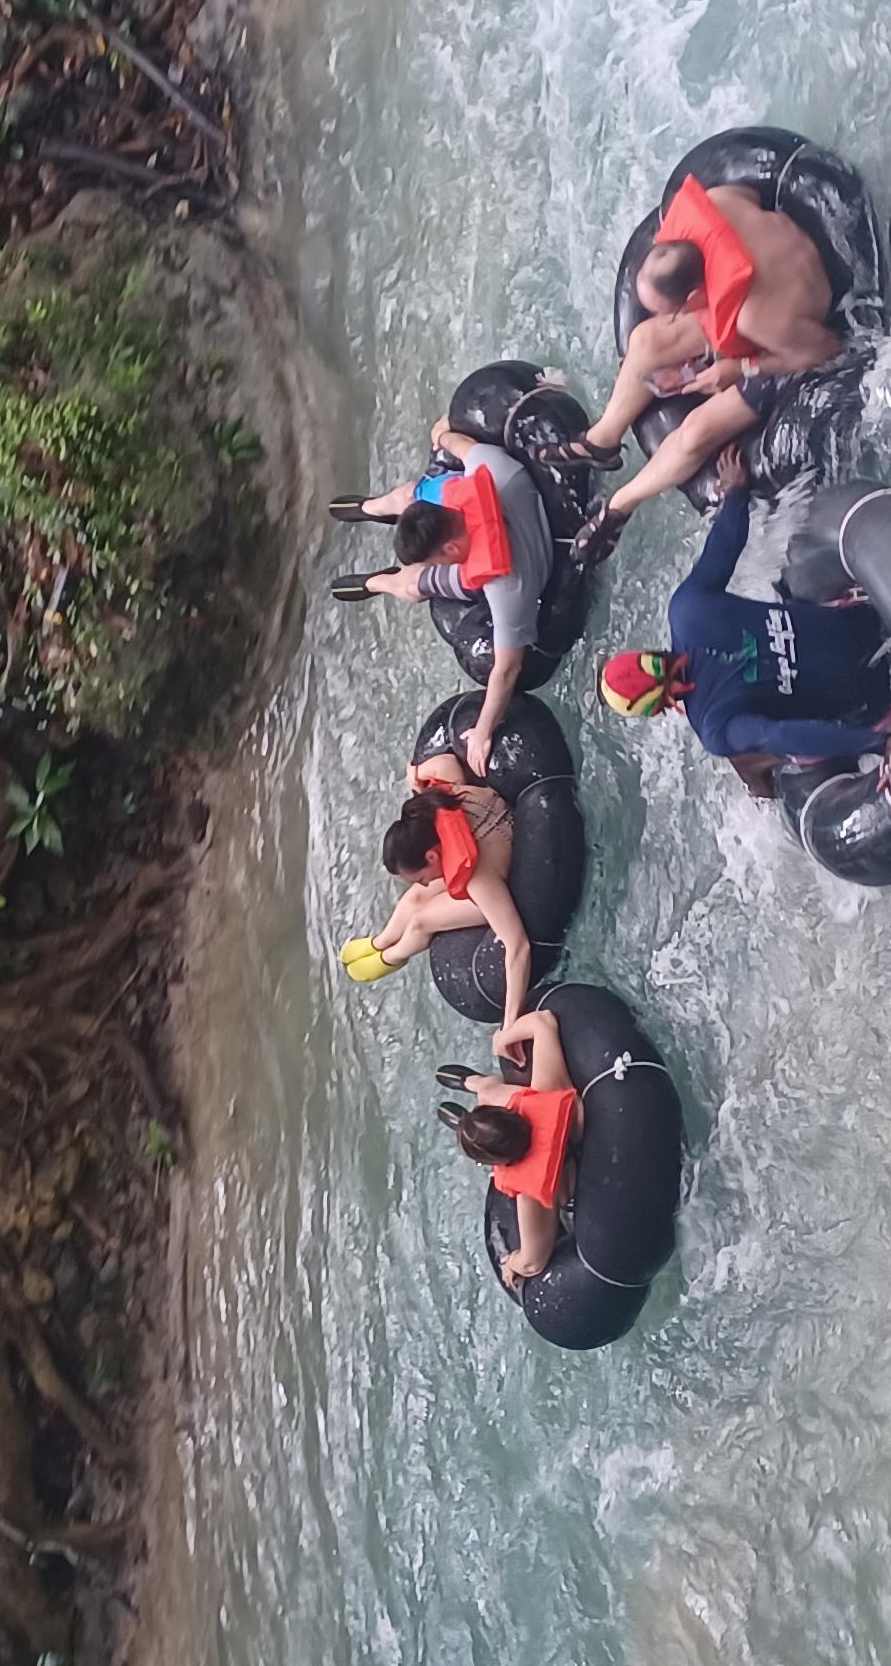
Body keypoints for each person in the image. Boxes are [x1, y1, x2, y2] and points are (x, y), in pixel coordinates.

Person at [543, 175, 846, 558]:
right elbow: (752, 193)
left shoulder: (757, 317)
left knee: (695, 432)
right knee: (645, 342)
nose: (668, 319)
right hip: (752, 295)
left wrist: (741, 367)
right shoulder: (717, 201)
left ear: (695, 295)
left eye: (670, 312)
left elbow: (826, 349)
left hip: (790, 331)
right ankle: (601, 440)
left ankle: (621, 505)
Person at [599, 488, 891, 812]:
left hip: (880, 699)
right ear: (649, 654)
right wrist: (736, 492)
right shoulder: (686, 610)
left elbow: (781, 734)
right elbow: (725, 543)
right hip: (872, 617)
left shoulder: (714, 726)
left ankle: (765, 792)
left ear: (657, 710)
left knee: (756, 753)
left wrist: (883, 744)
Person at [327, 416, 554, 775]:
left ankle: (379, 582)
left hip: (515, 555)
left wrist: (482, 731)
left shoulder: (505, 588)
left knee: (416, 583)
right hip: (504, 510)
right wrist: (443, 434)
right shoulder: (493, 468)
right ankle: (371, 507)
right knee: (412, 495)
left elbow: (507, 669)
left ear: (448, 549)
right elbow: (460, 445)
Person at [334, 754, 534, 1009]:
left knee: (421, 922)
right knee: (415, 898)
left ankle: (390, 957)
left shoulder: (478, 880)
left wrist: (510, 1023)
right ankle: (380, 941)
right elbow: (447, 761)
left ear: (431, 855)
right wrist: (416, 774)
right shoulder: (445, 798)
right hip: (491, 829)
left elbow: (518, 947)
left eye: (422, 877)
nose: (426, 883)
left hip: (499, 880)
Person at [442, 1006, 577, 1287]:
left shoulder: (530, 1195)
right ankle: (473, 1090)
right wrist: (503, 1038)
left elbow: (532, 1261)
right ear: (513, 1112)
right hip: (569, 1131)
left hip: (567, 1179)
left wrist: (510, 1262)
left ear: (501, 1165)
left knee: (490, 1092)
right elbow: (543, 1021)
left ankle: (471, 1105)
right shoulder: (549, 1088)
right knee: (493, 1093)